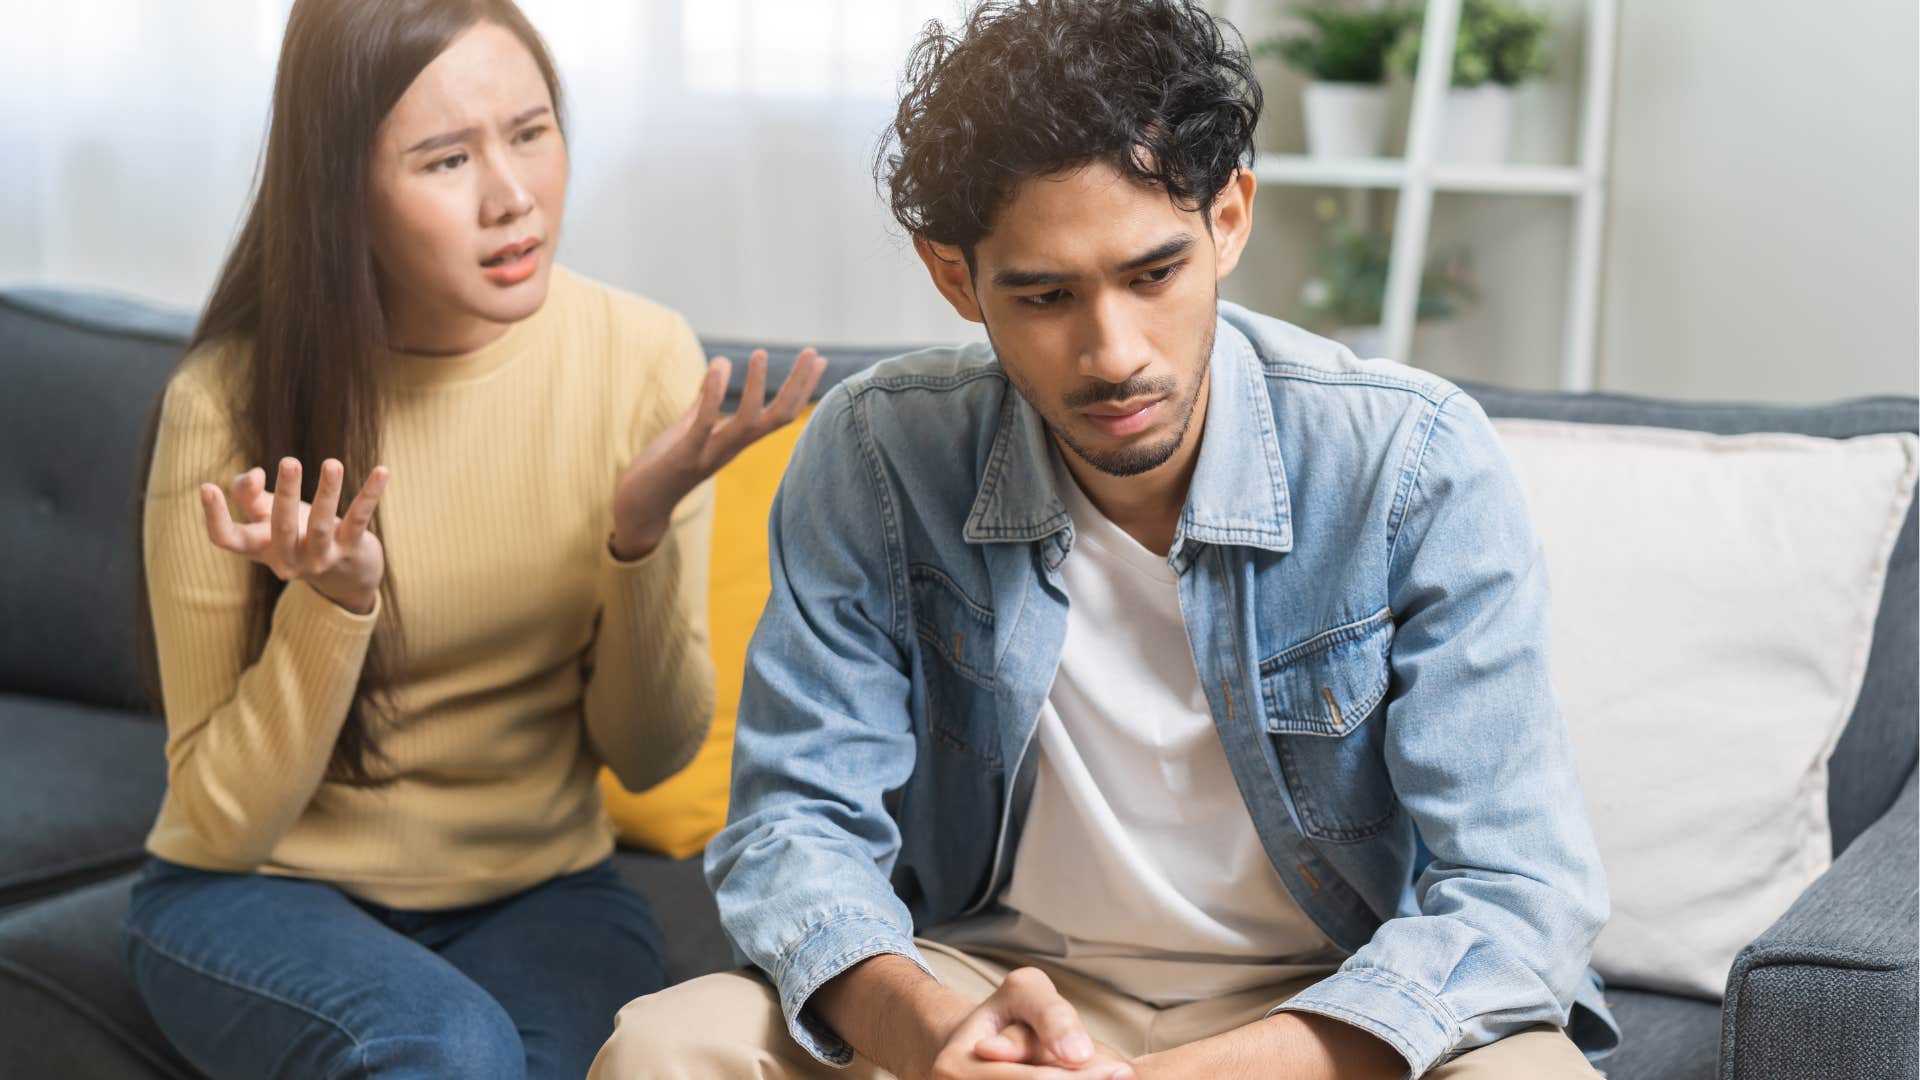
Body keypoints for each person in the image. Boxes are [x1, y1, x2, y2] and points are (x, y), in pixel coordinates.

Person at [593, 1, 1618, 1078]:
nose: (1113, 354)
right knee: (668, 1047)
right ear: (954, 276)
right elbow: (793, 827)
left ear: (1230, 218)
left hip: (1321, 1001)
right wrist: (942, 1035)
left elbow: (1520, 894)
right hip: (996, 983)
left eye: (1153, 275)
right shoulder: (877, 453)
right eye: (1044, 296)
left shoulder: (1413, 463)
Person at [123, 1, 823, 1076]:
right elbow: (219, 828)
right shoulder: (229, 402)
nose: (514, 198)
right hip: (256, 897)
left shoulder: (642, 361)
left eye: (532, 132)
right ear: (342, 188)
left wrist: (637, 539)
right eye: (446, 159)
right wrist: (337, 604)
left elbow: (650, 754)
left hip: (544, 895)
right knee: (443, 1048)